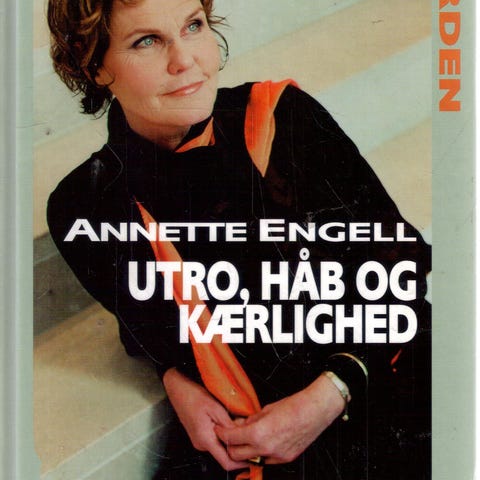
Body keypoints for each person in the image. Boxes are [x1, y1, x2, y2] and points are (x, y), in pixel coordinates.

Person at [46, 0, 431, 478]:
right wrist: (175, 376)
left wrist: (331, 393)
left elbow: (400, 274)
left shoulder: (284, 119)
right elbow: (149, 323)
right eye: (146, 41)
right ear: (93, 65)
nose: (184, 60)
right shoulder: (84, 206)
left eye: (193, 26)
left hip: (373, 394)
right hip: (246, 445)